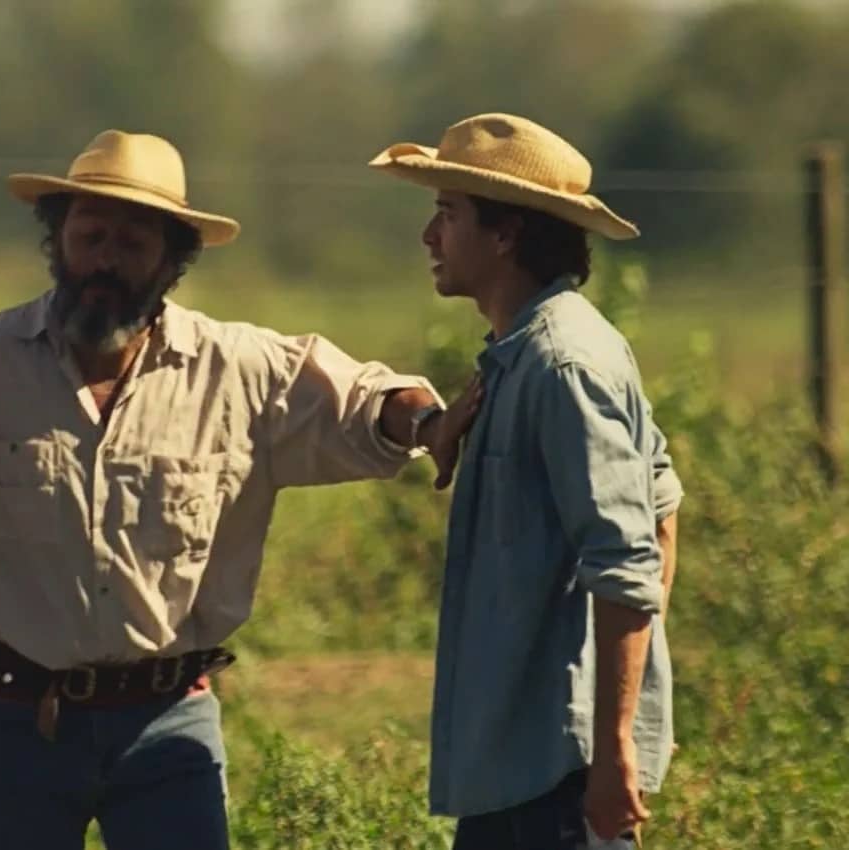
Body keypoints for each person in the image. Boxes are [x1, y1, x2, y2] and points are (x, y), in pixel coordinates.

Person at [0, 128, 481, 850]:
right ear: (57, 238)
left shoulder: (239, 372)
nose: (105, 259)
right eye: (90, 235)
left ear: (172, 259)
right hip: (15, 719)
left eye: (131, 244)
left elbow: (369, 400)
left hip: (166, 725)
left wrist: (428, 425)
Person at [368, 113, 683, 849]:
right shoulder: (523, 353)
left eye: (448, 213)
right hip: (519, 763)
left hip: (556, 775)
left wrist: (611, 753)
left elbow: (629, 559)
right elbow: (663, 505)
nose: (429, 236)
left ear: (505, 234)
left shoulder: (562, 366)